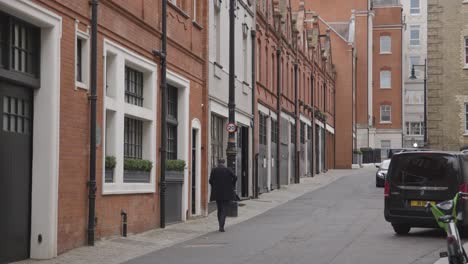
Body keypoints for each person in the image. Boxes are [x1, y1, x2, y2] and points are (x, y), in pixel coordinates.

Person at [209, 159, 237, 232]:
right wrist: (232, 185)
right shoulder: (228, 170)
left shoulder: (214, 170)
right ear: (224, 162)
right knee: (224, 209)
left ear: (218, 162)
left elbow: (210, 181)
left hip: (217, 192)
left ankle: (220, 224)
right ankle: (222, 226)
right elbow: (235, 177)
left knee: (219, 209)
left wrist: (214, 186)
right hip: (226, 192)